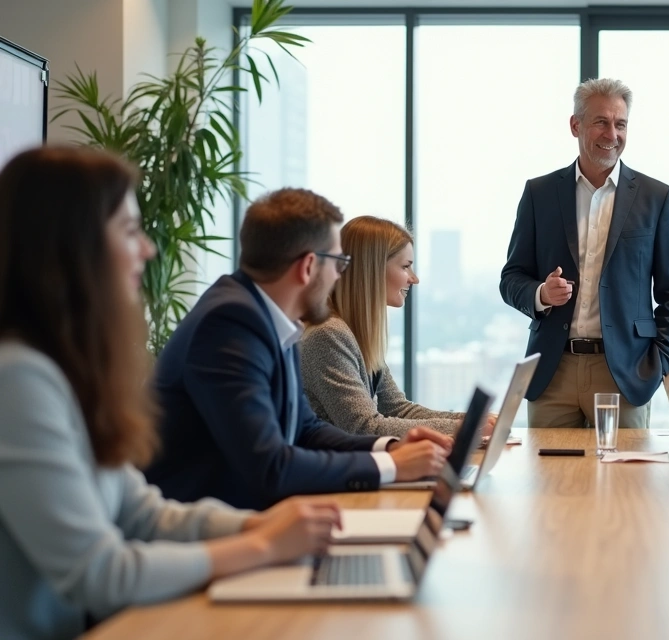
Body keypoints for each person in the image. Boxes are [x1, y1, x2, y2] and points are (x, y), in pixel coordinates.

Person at [0, 148, 342, 640]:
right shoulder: (19, 380)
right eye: (128, 231)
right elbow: (99, 574)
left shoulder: (64, 369)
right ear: (71, 247)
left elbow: (142, 513)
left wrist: (257, 527)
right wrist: (263, 547)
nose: (148, 250)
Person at [144, 188, 453, 510]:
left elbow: (306, 429)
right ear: (308, 266)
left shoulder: (269, 317)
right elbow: (270, 465)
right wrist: (393, 466)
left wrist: (389, 449)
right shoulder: (229, 325)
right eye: (339, 263)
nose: (341, 275)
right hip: (203, 524)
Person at [500, 78, 669, 429]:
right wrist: (541, 294)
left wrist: (659, 362)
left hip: (625, 373)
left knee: (623, 483)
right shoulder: (539, 193)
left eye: (621, 124)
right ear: (576, 125)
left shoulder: (655, 197)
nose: (612, 134)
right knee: (548, 481)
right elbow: (511, 278)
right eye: (601, 122)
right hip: (552, 373)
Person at [300, 216, 495, 437]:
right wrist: (464, 428)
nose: (414, 279)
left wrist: (468, 420)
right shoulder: (329, 335)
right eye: (405, 267)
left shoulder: (357, 332)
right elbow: (365, 427)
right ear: (371, 270)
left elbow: (397, 408)